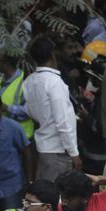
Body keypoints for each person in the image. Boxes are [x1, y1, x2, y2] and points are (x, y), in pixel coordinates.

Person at [24, 36, 81, 180]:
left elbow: (30, 113)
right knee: (56, 198)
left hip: (42, 147)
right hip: (57, 151)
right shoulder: (54, 82)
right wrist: (74, 154)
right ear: (53, 55)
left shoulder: (29, 81)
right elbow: (63, 122)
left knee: (45, 195)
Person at [0, 49, 34, 140]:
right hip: (3, 135)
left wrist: (8, 108)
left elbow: (31, 110)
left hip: (22, 137)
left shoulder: (24, 81)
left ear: (6, 63)